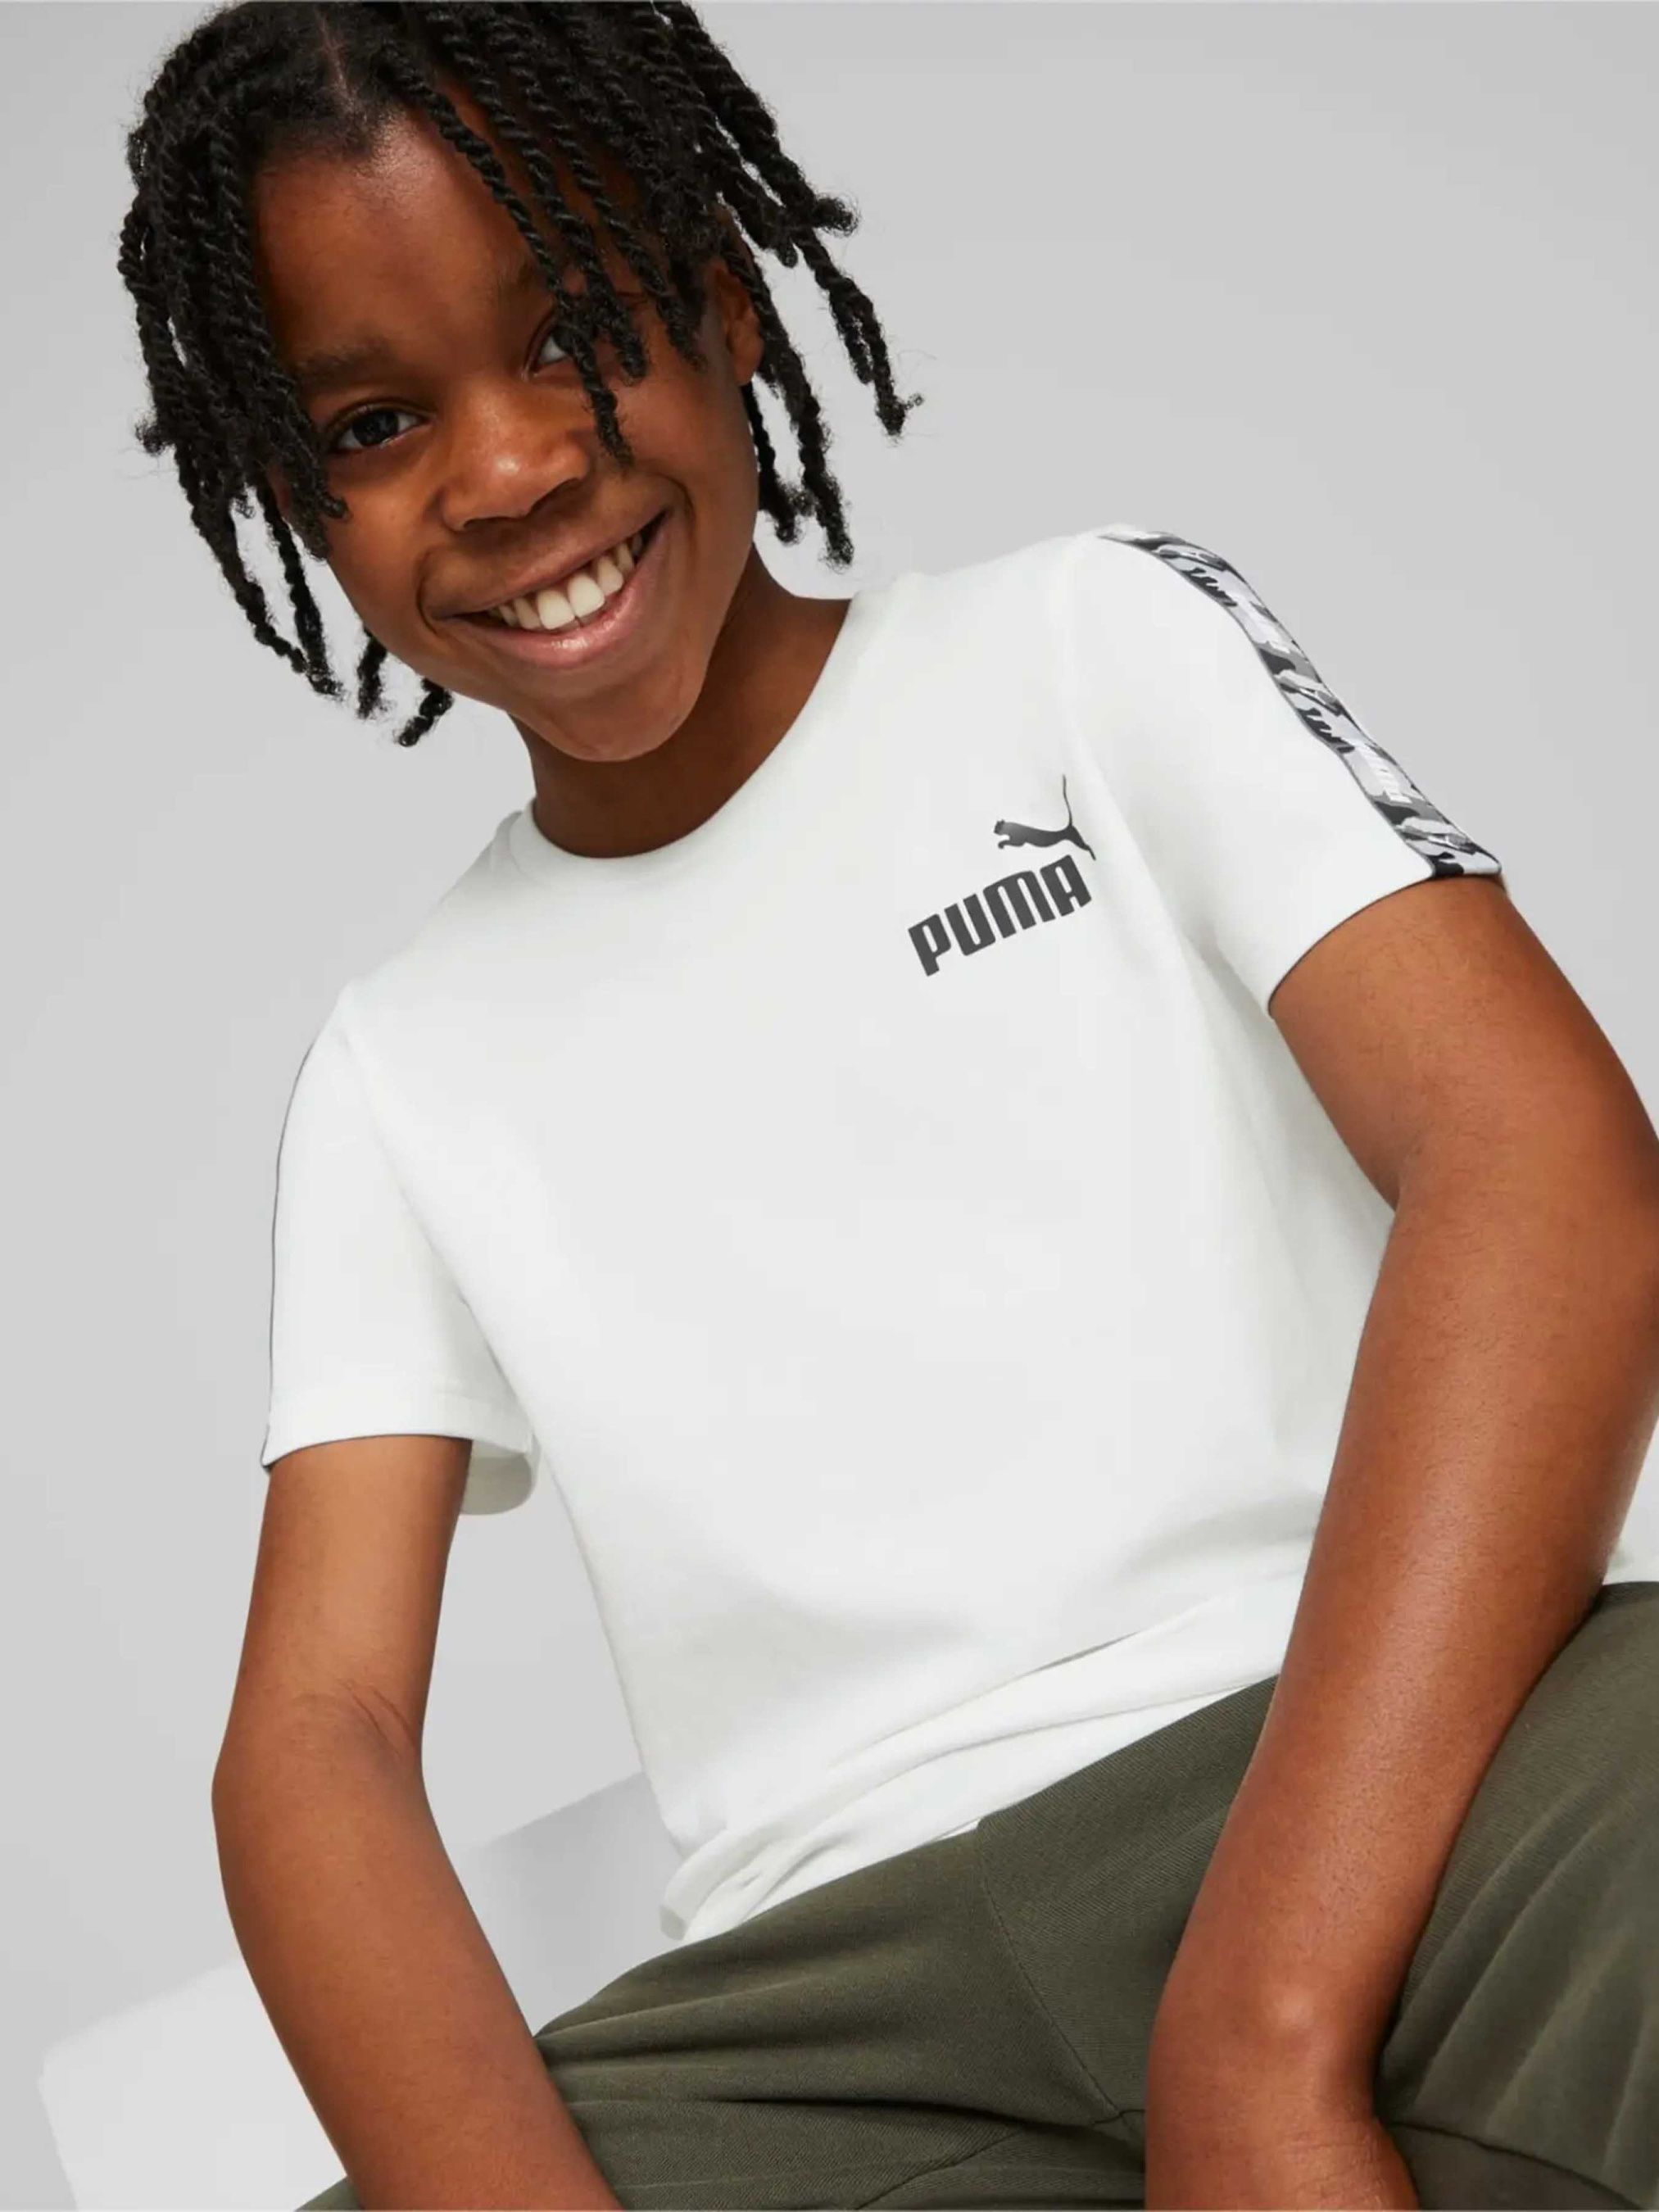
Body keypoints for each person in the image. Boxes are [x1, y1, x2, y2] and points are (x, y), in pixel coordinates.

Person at [117, 6, 1659, 2208]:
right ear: (297, 500)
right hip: (852, 2022)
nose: (510, 467)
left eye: (574, 332)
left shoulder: (1090, 652)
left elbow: (1545, 1171)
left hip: (1407, 1795)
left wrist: (1263, 2028)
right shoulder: (401, 1067)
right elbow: (315, 1734)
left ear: (725, 298)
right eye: (376, 421)